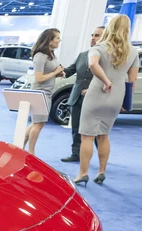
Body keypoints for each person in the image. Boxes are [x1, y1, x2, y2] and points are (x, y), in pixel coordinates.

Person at [74, 15, 139, 187]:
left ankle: (83, 173)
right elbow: (132, 80)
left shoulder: (100, 47)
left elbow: (93, 65)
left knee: (87, 137)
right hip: (116, 97)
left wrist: (105, 81)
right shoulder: (132, 52)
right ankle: (102, 171)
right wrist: (126, 102)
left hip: (97, 93)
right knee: (104, 136)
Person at [60, 27, 105, 163]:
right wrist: (59, 70)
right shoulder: (83, 55)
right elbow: (69, 71)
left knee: (96, 131)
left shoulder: (107, 57)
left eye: (97, 35)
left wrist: (92, 89)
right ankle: (76, 154)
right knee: (76, 127)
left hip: (95, 98)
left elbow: (107, 77)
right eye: (92, 35)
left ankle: (102, 156)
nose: (93, 37)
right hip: (77, 97)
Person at [23, 29, 65, 155]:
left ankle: (20, 146)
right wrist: (55, 72)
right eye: (57, 38)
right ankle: (31, 153)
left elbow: (49, 74)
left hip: (46, 93)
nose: (59, 40)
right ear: (49, 40)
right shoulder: (40, 56)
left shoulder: (51, 54)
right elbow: (39, 78)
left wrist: (57, 74)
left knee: (37, 123)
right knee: (38, 124)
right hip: (39, 92)